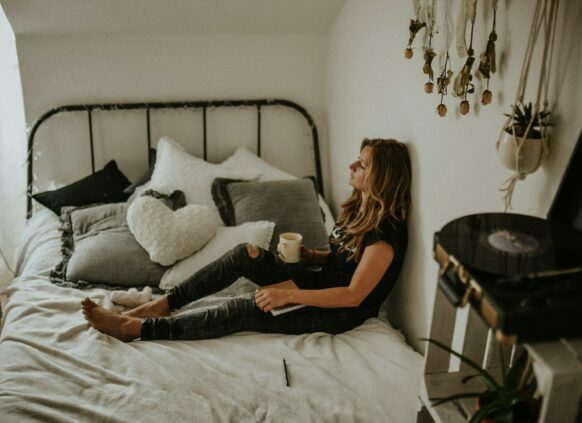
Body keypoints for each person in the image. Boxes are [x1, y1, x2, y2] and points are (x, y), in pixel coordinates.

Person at [82, 138, 412, 342]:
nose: (352, 165)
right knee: (246, 254)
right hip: (317, 284)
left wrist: (286, 295)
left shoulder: (385, 236)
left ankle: (138, 330)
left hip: (337, 312)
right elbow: (345, 263)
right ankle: (164, 304)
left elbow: (353, 296)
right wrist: (314, 255)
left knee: (246, 307)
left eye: (363, 164)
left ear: (380, 177)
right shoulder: (359, 209)